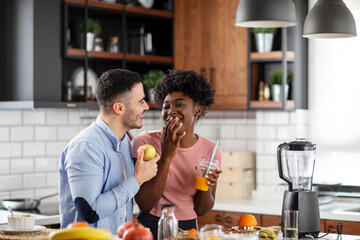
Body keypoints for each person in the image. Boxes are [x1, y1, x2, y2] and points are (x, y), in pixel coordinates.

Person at [59, 69, 160, 234]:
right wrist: (138, 179)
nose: (146, 107)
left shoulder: (125, 141)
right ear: (119, 108)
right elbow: (91, 211)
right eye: (141, 101)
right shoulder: (86, 147)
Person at [132, 69, 223, 238]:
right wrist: (166, 156)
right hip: (151, 226)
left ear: (197, 110)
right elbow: (144, 204)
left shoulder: (211, 151)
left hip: (189, 228)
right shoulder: (145, 142)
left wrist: (206, 184)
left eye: (179, 104)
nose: (171, 111)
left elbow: (201, 209)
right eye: (166, 106)